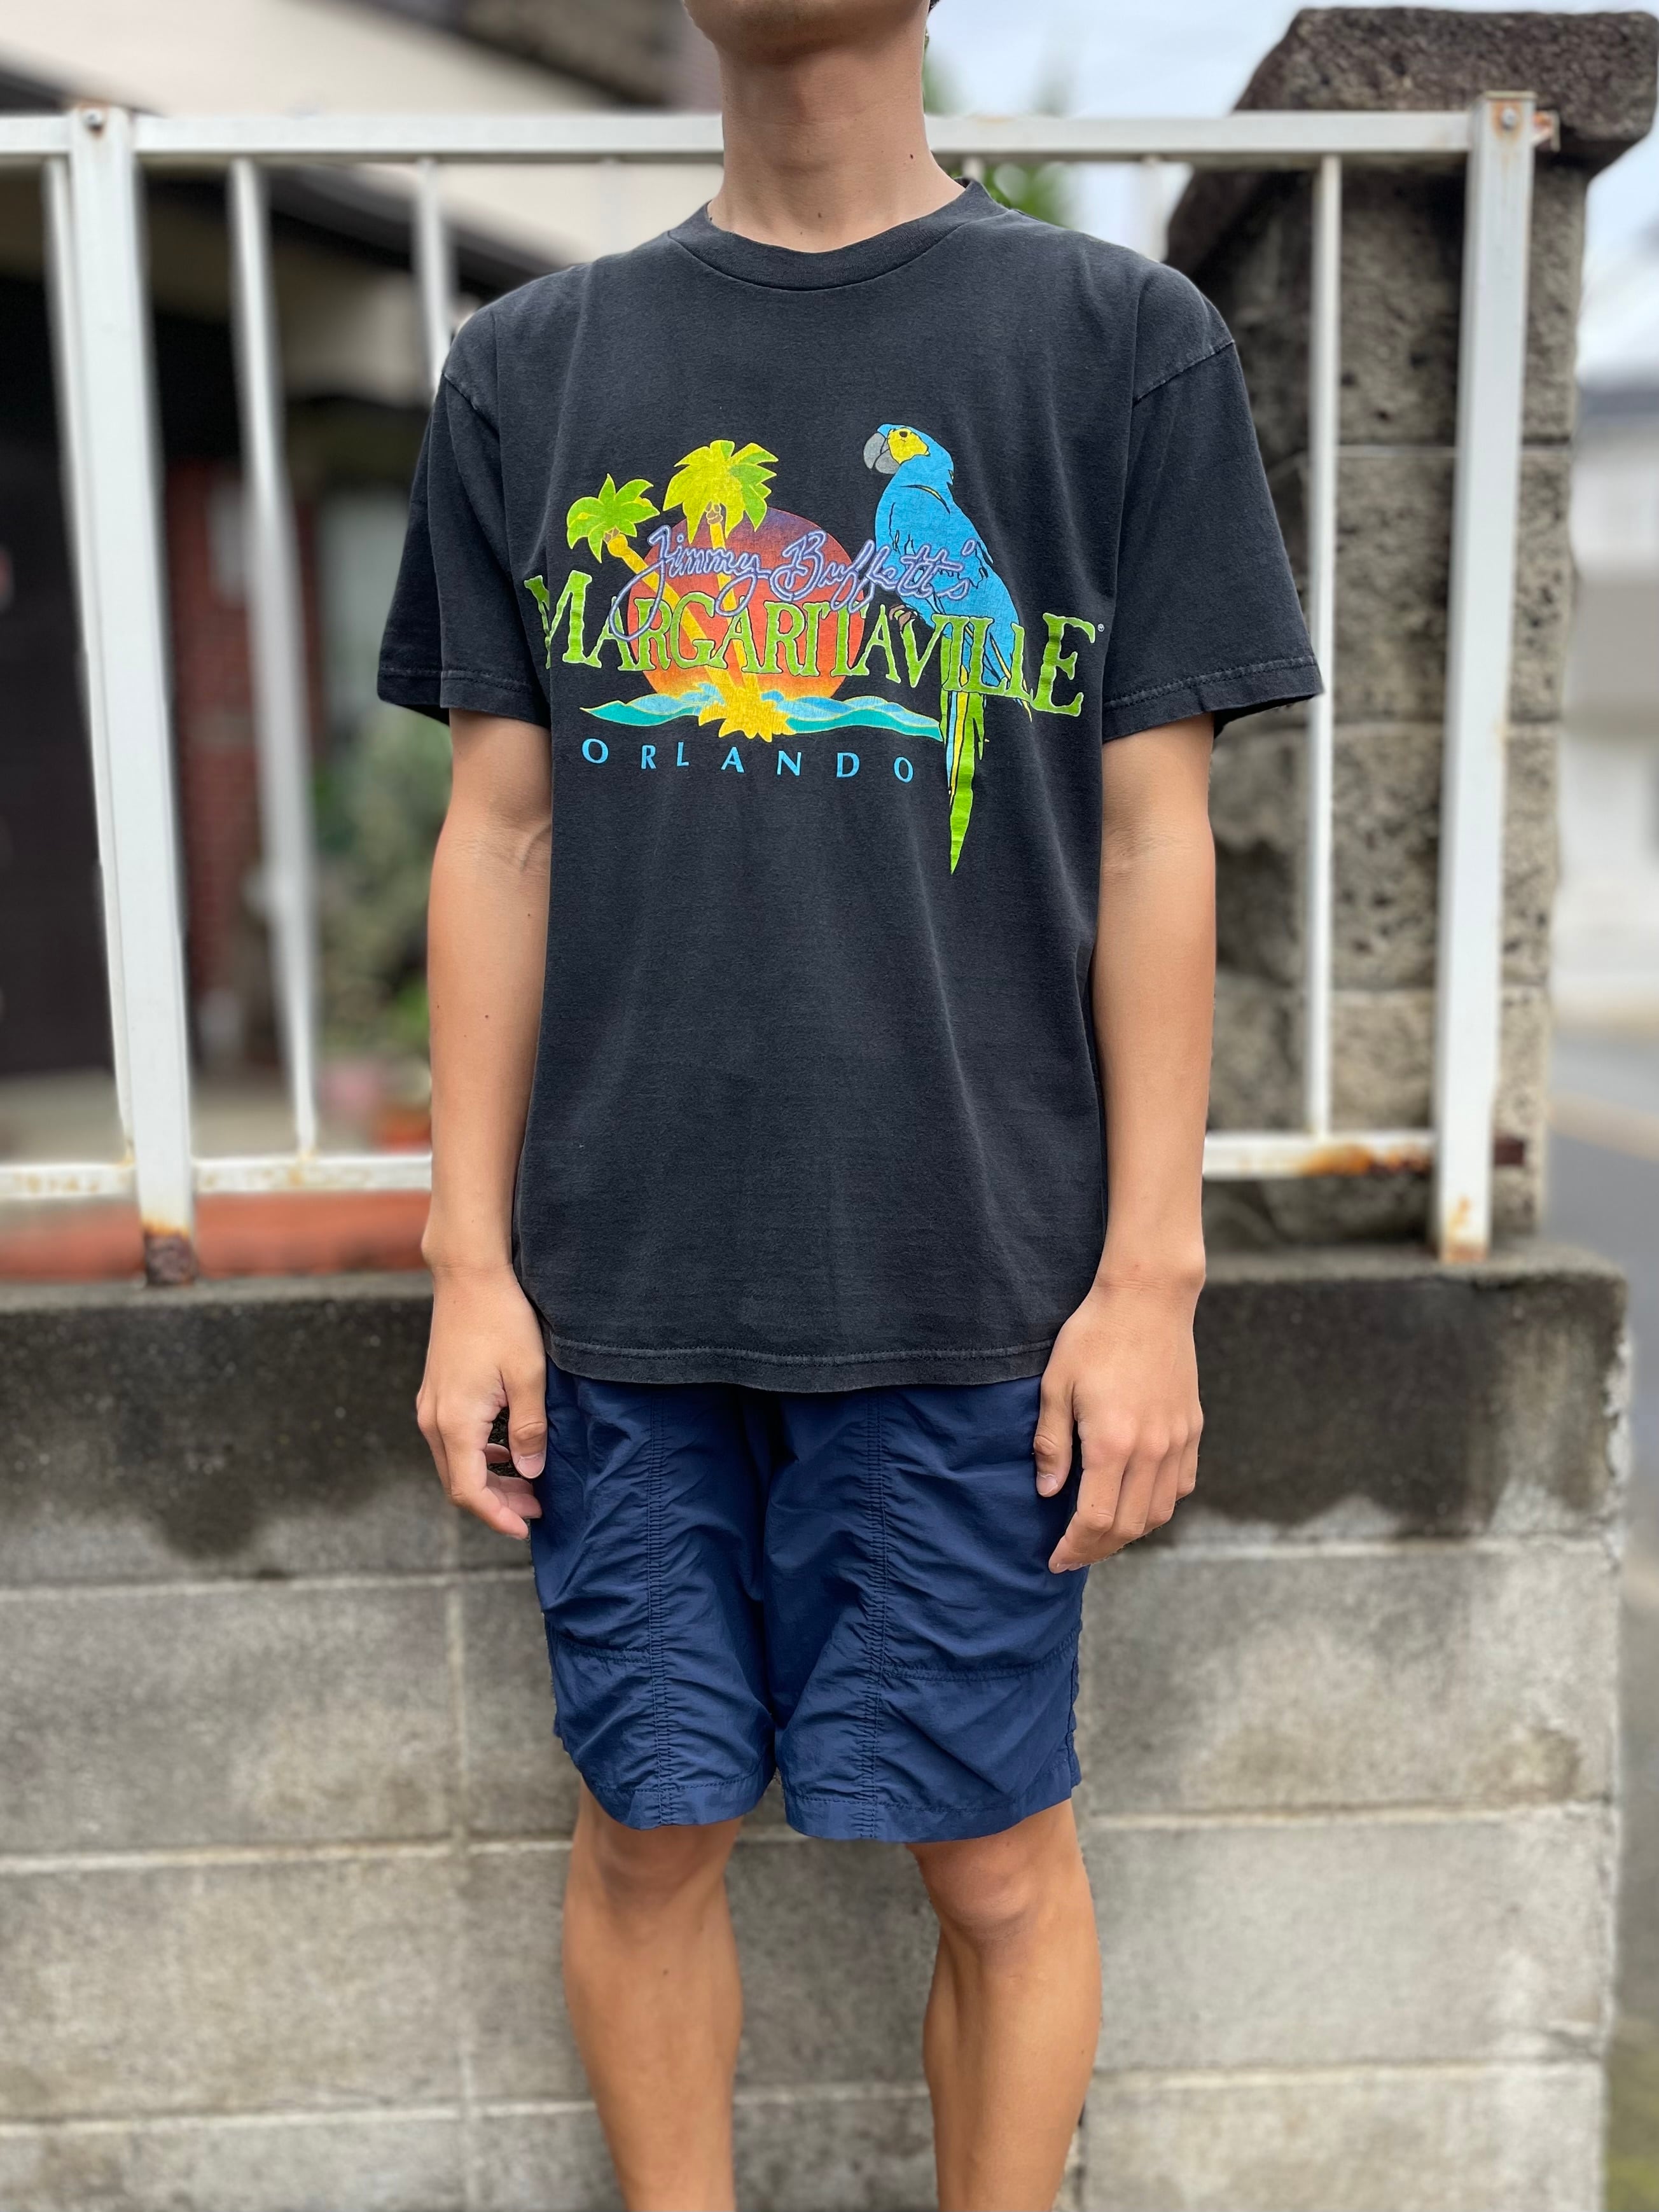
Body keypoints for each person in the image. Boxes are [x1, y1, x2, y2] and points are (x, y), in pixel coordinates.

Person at [379, 1, 1318, 2203]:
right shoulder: (532, 371)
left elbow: (1157, 843)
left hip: (976, 1278)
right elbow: (499, 834)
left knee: (996, 1864)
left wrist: (1152, 1284)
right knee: (648, 1829)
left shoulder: (1121, 349)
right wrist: (467, 1265)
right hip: (621, 1293)